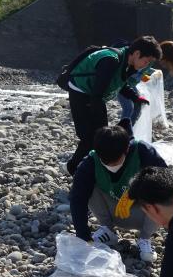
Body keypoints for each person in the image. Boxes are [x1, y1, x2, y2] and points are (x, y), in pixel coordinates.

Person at [65, 36, 162, 175]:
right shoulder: (111, 60)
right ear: (137, 53)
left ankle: (92, 167)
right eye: (145, 61)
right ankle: (73, 168)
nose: (145, 66)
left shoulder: (128, 62)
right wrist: (100, 125)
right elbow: (97, 94)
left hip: (95, 95)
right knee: (90, 137)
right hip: (81, 91)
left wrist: (135, 98)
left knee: (100, 137)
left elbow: (119, 84)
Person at [69, 125, 167, 262]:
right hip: (112, 211)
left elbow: (167, 182)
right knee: (85, 187)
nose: (111, 165)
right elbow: (77, 199)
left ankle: (144, 239)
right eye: (105, 161)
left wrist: (135, 191)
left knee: (164, 195)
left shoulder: (142, 151)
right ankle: (107, 230)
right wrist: (84, 237)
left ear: (126, 149)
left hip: (143, 213)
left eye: (116, 160)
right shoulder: (90, 163)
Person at [117, 40, 173, 125]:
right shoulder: (148, 58)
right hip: (124, 84)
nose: (164, 65)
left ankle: (129, 130)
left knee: (137, 106)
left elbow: (143, 72)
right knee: (128, 108)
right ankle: (122, 132)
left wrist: (152, 73)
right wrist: (146, 77)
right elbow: (136, 73)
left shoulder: (150, 61)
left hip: (131, 84)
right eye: (165, 62)